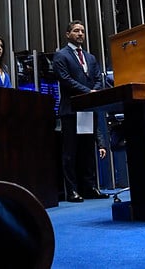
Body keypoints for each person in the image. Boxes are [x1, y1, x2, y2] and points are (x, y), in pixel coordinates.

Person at [52, 20, 109, 202]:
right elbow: (65, 79)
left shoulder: (90, 57)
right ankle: (72, 191)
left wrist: (94, 92)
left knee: (87, 151)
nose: (80, 34)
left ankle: (90, 187)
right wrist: (88, 92)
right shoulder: (61, 55)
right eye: (76, 31)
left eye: (82, 31)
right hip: (71, 110)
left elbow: (98, 78)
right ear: (67, 34)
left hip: (87, 109)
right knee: (70, 152)